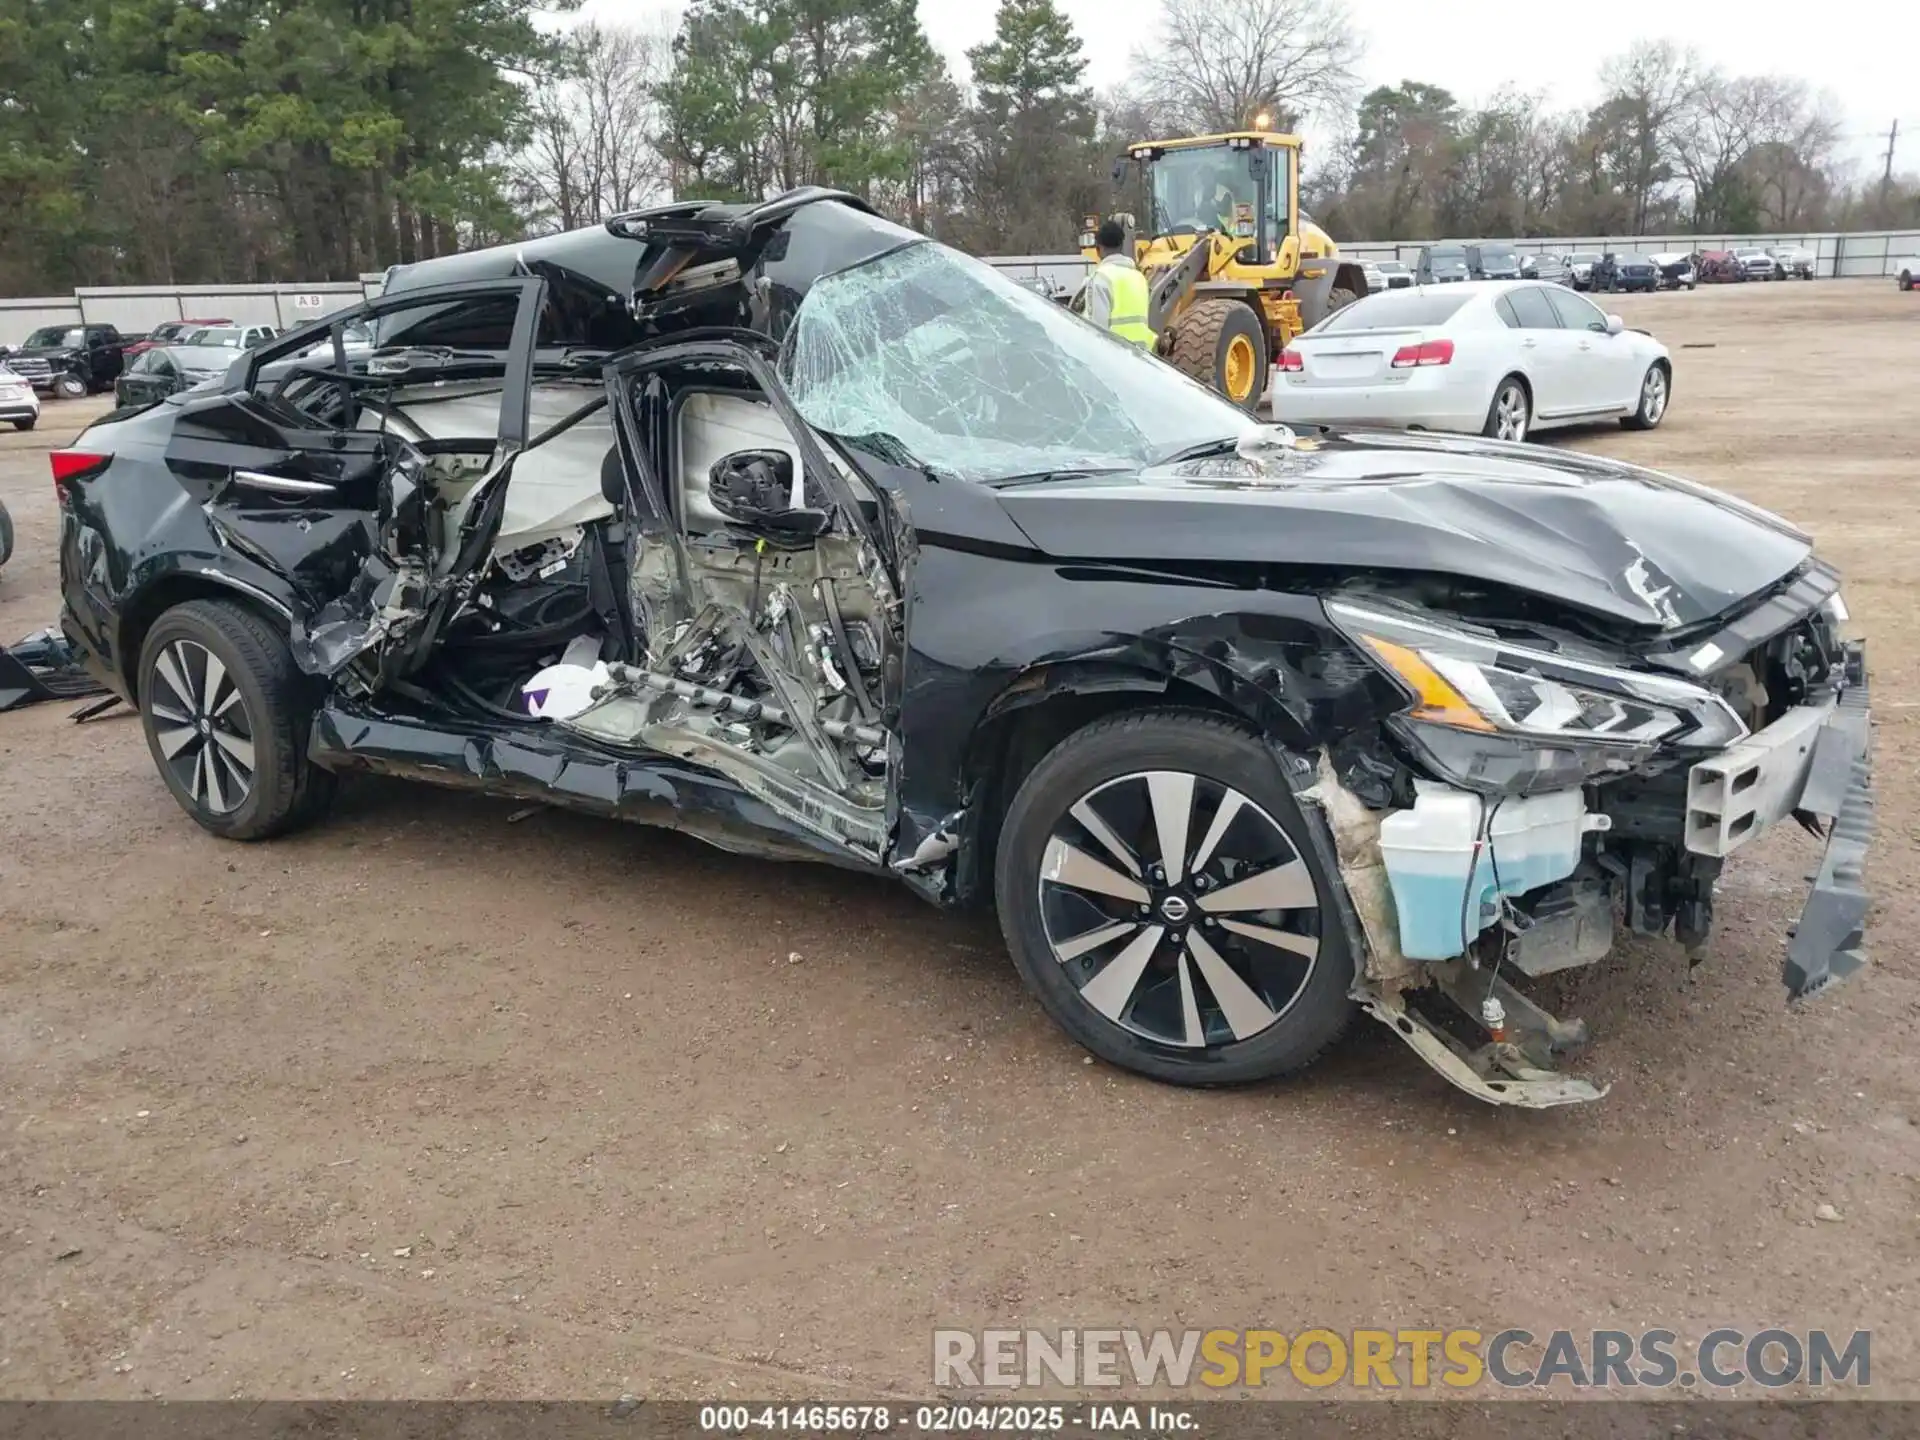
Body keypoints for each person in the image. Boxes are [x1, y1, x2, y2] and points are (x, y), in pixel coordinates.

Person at [1083, 219, 1155, 348]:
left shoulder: (1100, 279)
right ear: (1121, 246)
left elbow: (1096, 331)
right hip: (1142, 360)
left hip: (1115, 359)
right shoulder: (1139, 278)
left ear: (1098, 249)